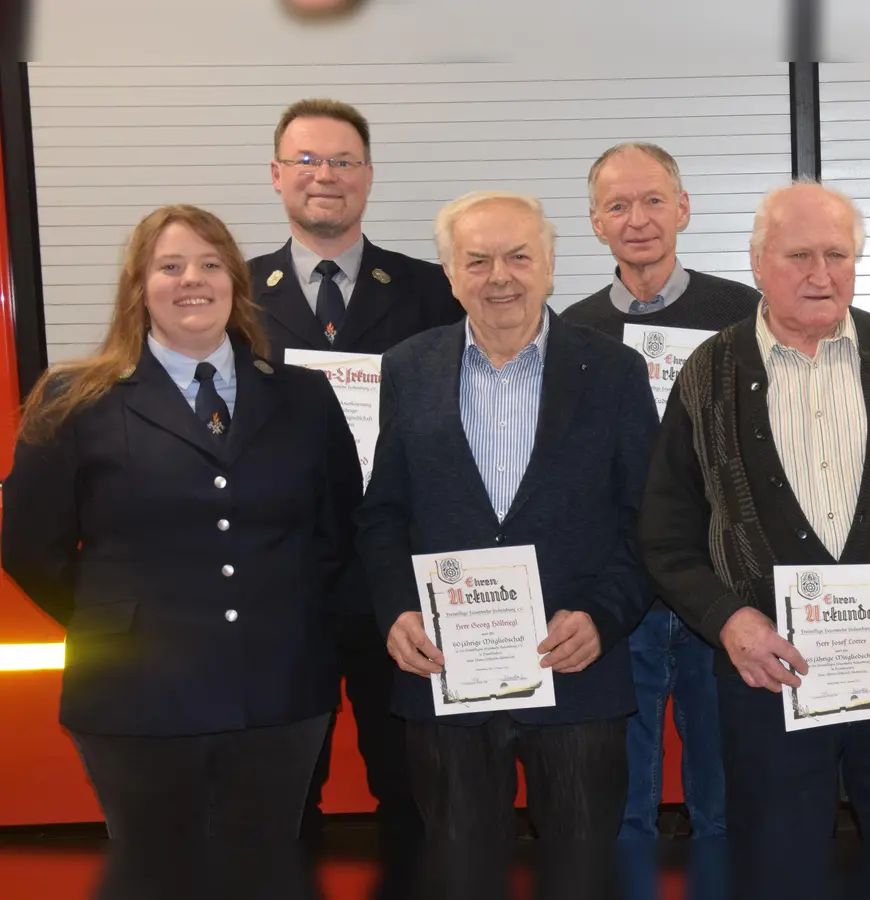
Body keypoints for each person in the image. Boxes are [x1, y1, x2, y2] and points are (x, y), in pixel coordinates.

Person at [639, 181, 870, 899]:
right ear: (757, 261)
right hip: (768, 677)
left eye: (837, 255)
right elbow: (663, 537)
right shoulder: (709, 375)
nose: (821, 274)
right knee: (779, 873)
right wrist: (727, 621)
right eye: (799, 255)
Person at [2, 204, 361, 899]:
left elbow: (337, 531)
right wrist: (120, 621)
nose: (191, 280)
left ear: (236, 280)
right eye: (169, 266)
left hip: (281, 693)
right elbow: (30, 548)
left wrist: (285, 610)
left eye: (209, 263)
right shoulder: (73, 399)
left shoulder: (304, 396)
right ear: (139, 285)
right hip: (136, 697)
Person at [356, 190, 658, 900]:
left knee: (583, 879)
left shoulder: (612, 371)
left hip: (578, 675)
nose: (500, 276)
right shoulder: (407, 367)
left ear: (550, 266)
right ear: (451, 274)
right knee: (461, 876)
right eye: (478, 260)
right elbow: (383, 515)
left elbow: (649, 520)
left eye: (519, 256)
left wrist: (602, 617)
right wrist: (398, 611)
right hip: (446, 678)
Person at [248, 98, 460, 887]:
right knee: (283, 793)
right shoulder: (230, 295)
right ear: (276, 176)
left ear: (367, 177)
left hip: (395, 580)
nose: (323, 176)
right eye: (306, 160)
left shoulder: (434, 289)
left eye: (341, 161)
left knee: (411, 785)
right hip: (282, 582)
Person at [561, 141, 759, 844]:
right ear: (595, 221)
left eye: (652, 200)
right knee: (625, 799)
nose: (636, 218)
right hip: (621, 591)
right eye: (617, 205)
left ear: (682, 208)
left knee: (726, 796)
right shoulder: (569, 330)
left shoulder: (743, 313)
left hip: (720, 587)